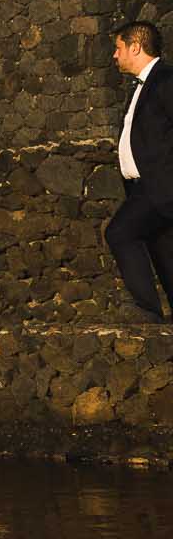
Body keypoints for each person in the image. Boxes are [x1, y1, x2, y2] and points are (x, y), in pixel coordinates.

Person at [108, 21, 173, 321]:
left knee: (120, 232)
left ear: (135, 47)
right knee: (166, 260)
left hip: (159, 186)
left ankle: (147, 312)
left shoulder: (166, 80)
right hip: (142, 189)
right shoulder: (141, 87)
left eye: (118, 48)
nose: (114, 55)